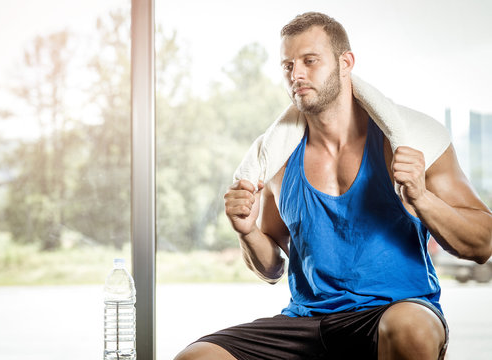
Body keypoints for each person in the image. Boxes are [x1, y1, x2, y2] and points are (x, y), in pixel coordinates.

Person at [175, 12, 492, 360]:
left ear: (346, 63)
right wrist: (247, 231)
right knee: (199, 356)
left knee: (410, 329)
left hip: (393, 312)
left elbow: (482, 244)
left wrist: (421, 199)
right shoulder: (277, 161)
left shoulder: (410, 142)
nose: (296, 75)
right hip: (307, 322)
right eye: (287, 66)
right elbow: (272, 269)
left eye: (310, 61)